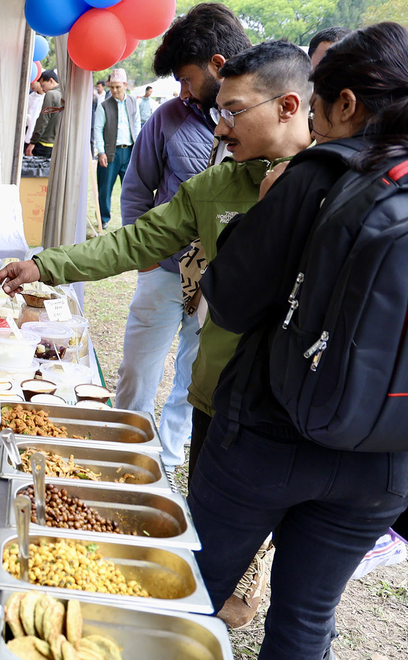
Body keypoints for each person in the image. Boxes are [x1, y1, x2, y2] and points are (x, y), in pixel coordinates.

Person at [0, 40, 314, 629]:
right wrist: (46, 265)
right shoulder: (217, 186)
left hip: (302, 409)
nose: (220, 123)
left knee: (305, 597)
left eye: (234, 111)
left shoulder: (339, 180)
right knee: (210, 546)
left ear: (289, 106)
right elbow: (135, 240)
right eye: (219, 109)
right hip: (225, 396)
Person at [194, 23, 408, 660]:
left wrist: (266, 207)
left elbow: (233, 301)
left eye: (319, 102)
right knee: (305, 621)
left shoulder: (319, 172)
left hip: (270, 435)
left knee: (186, 597)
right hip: (386, 458)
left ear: (344, 104)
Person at [116, 0, 250, 475]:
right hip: (165, 271)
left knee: (193, 381)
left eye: (187, 77)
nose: (183, 89)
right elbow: (135, 191)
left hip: (219, 283)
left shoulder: (253, 122)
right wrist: (147, 260)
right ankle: (123, 454)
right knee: (138, 371)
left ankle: (166, 464)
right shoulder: (168, 118)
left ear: (217, 66)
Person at [93, 68, 140, 227]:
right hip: (110, 152)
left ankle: (130, 220)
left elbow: (137, 124)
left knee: (131, 189)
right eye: (111, 86)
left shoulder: (134, 101)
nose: (114, 90)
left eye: (118, 87)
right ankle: (103, 220)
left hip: (129, 151)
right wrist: (101, 152)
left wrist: (138, 147)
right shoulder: (104, 105)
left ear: (126, 85)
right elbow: (97, 129)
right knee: (105, 188)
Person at [26, 70, 63, 157]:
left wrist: (33, 141)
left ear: (51, 81)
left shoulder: (51, 94)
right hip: (57, 143)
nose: (43, 89)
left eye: (43, 85)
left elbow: (43, 120)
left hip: (44, 142)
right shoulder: (64, 94)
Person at [25, 78, 45, 144]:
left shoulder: (46, 97)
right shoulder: (30, 97)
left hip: (40, 137)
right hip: (28, 133)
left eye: (32, 83)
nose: (31, 86)